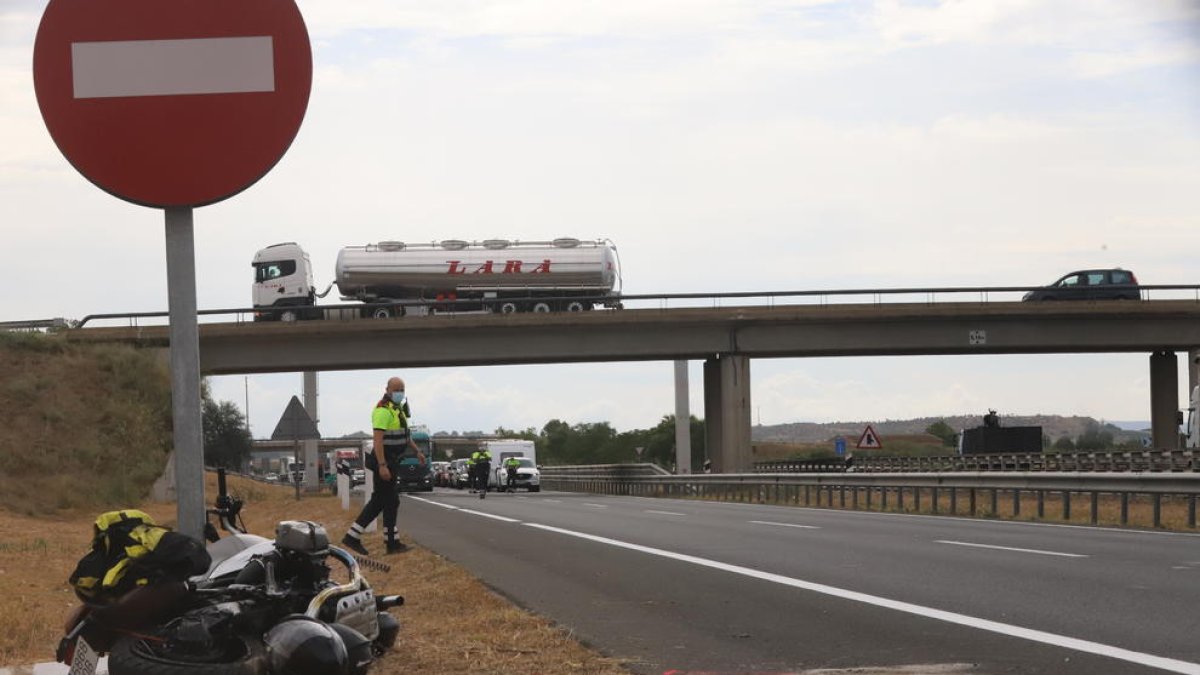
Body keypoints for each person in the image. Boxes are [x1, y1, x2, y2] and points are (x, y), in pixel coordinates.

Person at [342, 377, 423, 556]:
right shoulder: (382, 410)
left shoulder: (397, 409)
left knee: (389, 501)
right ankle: (356, 537)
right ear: (387, 390)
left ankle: (390, 542)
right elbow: (378, 441)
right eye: (396, 389)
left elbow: (405, 434)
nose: (400, 393)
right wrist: (382, 465)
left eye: (402, 389)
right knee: (384, 500)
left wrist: (417, 451)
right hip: (384, 461)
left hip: (393, 461)